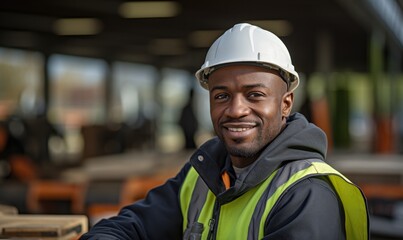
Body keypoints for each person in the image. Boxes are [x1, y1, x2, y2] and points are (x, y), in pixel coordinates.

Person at [80, 23, 369, 240]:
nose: (235, 109)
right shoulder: (203, 175)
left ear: (285, 104)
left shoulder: (306, 194)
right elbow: (133, 226)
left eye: (254, 95)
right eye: (221, 96)